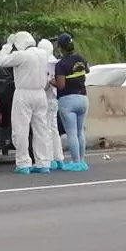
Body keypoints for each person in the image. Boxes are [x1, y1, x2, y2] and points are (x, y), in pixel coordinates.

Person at [0, 31, 52, 174]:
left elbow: (2, 61)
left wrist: (7, 46)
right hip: (41, 94)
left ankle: (23, 163)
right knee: (41, 129)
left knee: (21, 129)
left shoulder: (21, 55)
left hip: (23, 93)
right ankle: (43, 163)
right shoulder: (43, 54)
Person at [53, 33, 90, 171]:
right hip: (83, 98)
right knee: (80, 132)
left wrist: (52, 82)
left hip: (68, 99)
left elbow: (61, 85)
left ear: (60, 47)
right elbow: (87, 69)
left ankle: (75, 162)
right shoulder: (80, 58)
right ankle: (82, 161)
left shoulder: (61, 64)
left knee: (71, 133)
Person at [37, 38, 65, 170]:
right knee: (54, 129)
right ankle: (59, 158)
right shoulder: (55, 62)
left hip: (46, 98)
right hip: (55, 99)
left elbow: (45, 85)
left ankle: (49, 159)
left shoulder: (43, 63)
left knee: (45, 129)